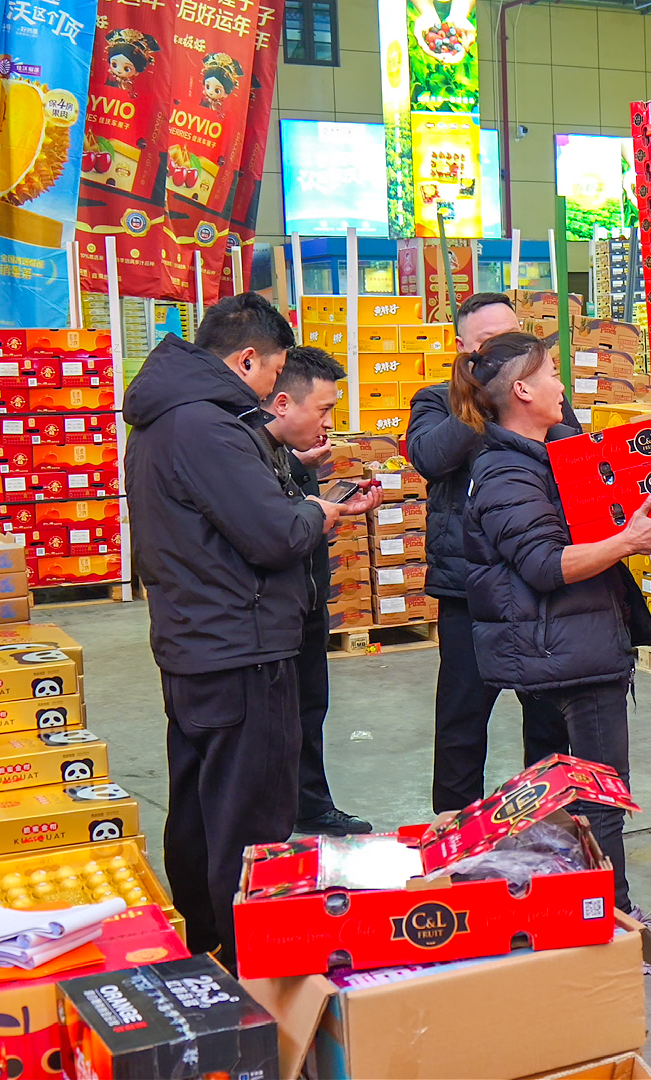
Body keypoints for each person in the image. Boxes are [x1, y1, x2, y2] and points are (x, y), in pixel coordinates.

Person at [126, 293, 381, 960]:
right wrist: (318, 511)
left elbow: (218, 513)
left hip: (197, 640)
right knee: (249, 817)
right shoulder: (205, 427)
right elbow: (272, 534)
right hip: (241, 647)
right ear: (246, 359)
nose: (272, 389)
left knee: (201, 806)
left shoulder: (171, 419)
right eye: (271, 372)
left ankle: (208, 941)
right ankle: (251, 961)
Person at [452, 332, 651, 964]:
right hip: (567, 657)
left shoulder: (547, 455)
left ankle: (570, 914)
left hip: (562, 647)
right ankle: (618, 927)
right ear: (522, 391)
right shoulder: (505, 472)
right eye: (551, 373)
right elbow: (544, 564)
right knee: (599, 797)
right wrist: (627, 542)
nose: (562, 385)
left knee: (561, 797)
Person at [408, 292, 578, 813]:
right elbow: (428, 458)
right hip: (467, 588)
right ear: (462, 347)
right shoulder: (436, 401)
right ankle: (455, 828)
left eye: (513, 337)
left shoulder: (544, 396)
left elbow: (574, 458)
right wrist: (484, 397)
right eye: (489, 342)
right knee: (462, 716)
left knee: (548, 715)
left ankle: (549, 822)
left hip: (536, 581)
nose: (505, 349)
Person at [264, 346, 375, 837]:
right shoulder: (232, 445)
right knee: (277, 719)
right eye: (324, 408)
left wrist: (304, 473)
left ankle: (308, 803)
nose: (329, 422)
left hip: (307, 596)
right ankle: (274, 818)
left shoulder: (279, 451)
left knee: (310, 708)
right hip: (270, 611)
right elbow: (270, 530)